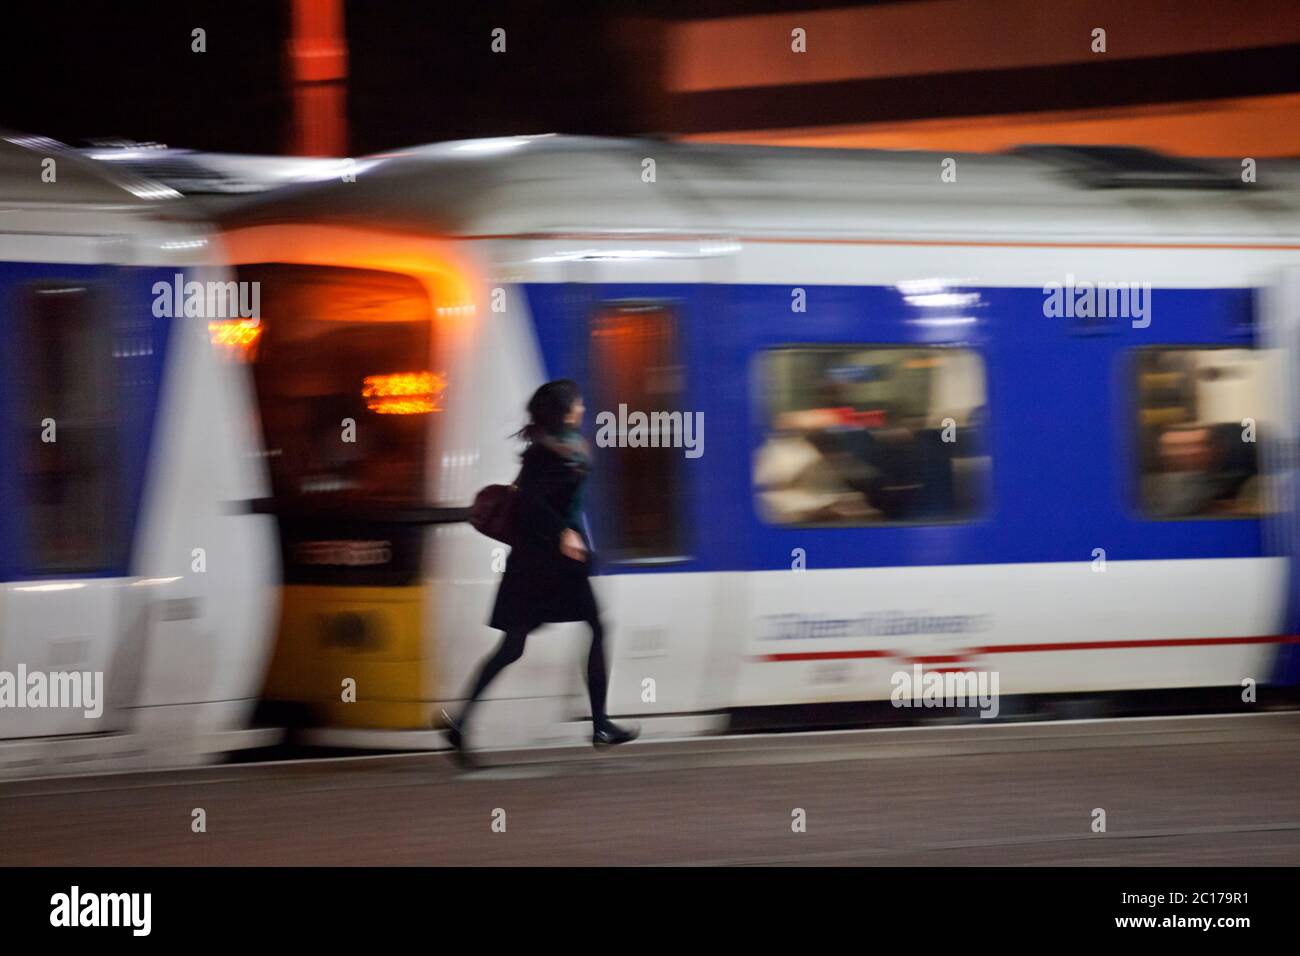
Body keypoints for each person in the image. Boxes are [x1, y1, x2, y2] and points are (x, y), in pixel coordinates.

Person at [442, 379, 639, 766]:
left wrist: (571, 535)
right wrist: (563, 533)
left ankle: (598, 723)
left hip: (555, 561)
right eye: (577, 401)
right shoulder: (544, 454)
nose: (583, 405)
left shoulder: (568, 446)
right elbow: (531, 503)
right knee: (520, 644)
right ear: (565, 409)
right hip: (541, 563)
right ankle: (462, 723)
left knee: (572, 632)